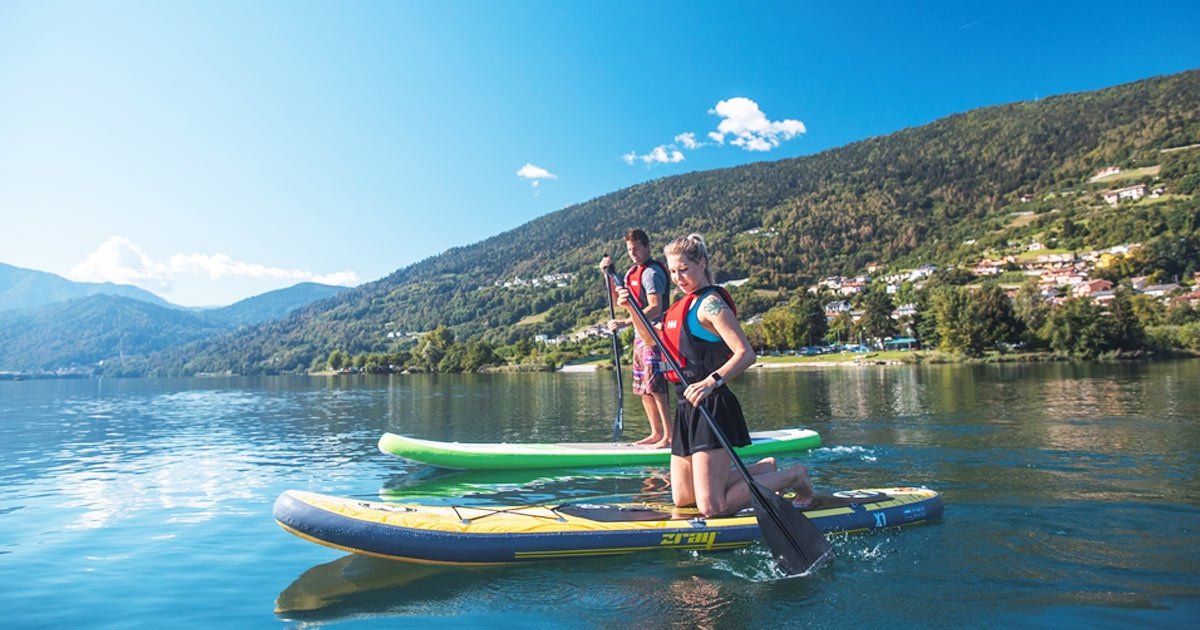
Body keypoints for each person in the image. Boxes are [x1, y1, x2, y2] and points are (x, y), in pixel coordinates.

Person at [616, 233, 812, 517]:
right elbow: (650, 341)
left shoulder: (711, 304)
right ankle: (763, 471)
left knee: (712, 507)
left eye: (684, 269)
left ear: (702, 264)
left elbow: (745, 353)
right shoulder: (679, 308)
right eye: (672, 272)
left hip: (711, 404)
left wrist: (712, 381)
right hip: (686, 407)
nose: (678, 278)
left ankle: (794, 476)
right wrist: (632, 310)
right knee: (684, 498)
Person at [600, 229, 671, 448]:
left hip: (656, 334)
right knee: (642, 386)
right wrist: (607, 276)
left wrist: (626, 323)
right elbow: (618, 300)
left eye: (637, 249)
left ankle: (669, 436)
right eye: (630, 250)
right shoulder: (631, 273)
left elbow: (655, 307)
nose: (633, 254)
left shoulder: (651, 273)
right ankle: (655, 432)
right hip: (640, 336)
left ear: (647, 247)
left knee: (656, 385)